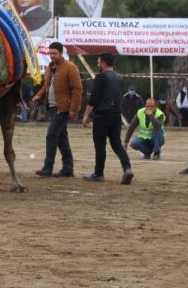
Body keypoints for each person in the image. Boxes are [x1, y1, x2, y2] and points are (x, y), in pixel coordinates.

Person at [31, 41, 83, 178]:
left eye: (54, 53)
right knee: (61, 139)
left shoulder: (70, 68)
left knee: (51, 135)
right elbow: (46, 87)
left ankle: (47, 168)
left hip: (63, 109)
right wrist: (39, 95)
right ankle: (68, 168)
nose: (52, 55)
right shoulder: (49, 68)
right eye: (50, 53)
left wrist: (73, 109)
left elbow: (77, 89)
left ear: (61, 53)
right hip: (52, 108)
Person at [81, 53, 134, 184]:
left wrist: (86, 115)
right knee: (117, 144)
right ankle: (127, 168)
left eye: (99, 62)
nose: (98, 64)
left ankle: (99, 173)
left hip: (102, 115)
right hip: (116, 115)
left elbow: (94, 99)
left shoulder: (101, 77)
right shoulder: (119, 77)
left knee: (100, 146)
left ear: (104, 63)